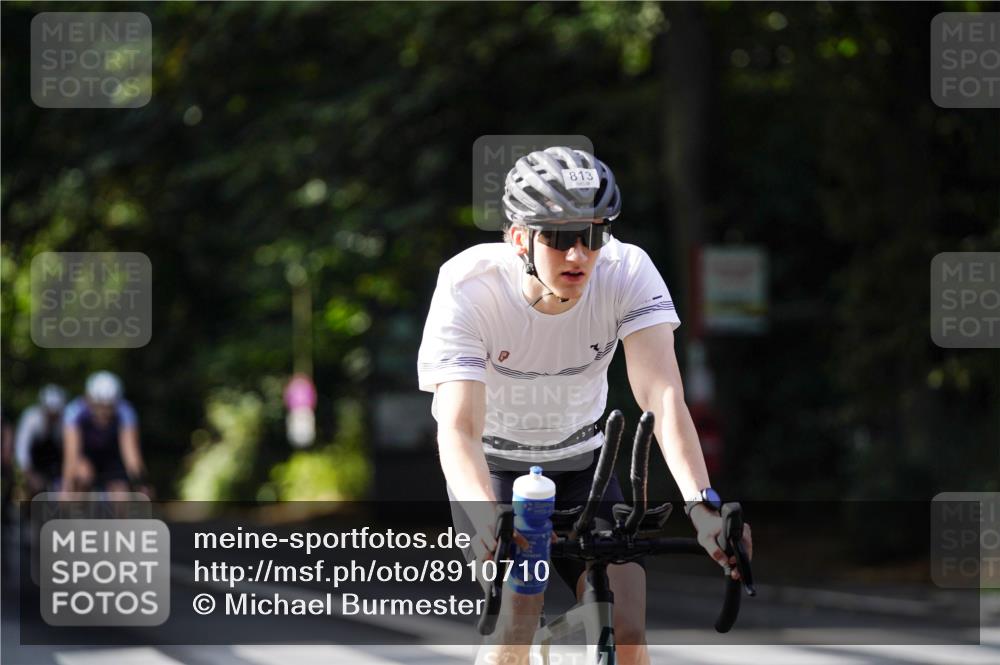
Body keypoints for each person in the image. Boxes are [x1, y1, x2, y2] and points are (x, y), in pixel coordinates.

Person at [418, 146, 753, 665]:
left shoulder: (626, 270)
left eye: (594, 234)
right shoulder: (470, 287)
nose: (579, 254)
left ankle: (564, 653)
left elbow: (661, 396)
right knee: (518, 615)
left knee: (627, 628)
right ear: (519, 238)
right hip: (498, 471)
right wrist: (487, 519)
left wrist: (703, 506)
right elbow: (458, 428)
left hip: (584, 467)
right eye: (559, 237)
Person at [62, 371, 151, 496]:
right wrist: (66, 489)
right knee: (82, 474)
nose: (103, 412)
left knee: (121, 495)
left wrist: (141, 484)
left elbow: (131, 454)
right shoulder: (74, 411)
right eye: (99, 407)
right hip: (86, 456)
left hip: (112, 459)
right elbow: (71, 455)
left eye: (109, 407)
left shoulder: (126, 412)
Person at [15, 384, 67, 496]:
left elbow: (67, 451)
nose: (52, 417)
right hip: (33, 465)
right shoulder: (30, 419)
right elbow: (21, 450)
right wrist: (30, 476)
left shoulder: (64, 421)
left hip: (54, 466)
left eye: (55, 414)